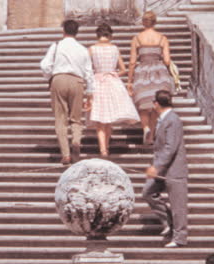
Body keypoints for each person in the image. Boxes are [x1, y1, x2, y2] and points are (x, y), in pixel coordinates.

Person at [40, 20, 95, 165]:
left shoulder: (56, 46)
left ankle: (65, 154)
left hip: (59, 79)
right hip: (77, 81)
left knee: (60, 118)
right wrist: (90, 92)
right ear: (77, 32)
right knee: (76, 118)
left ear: (63, 30)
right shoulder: (82, 49)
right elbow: (89, 72)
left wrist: (51, 76)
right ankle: (76, 141)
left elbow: (45, 65)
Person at [143, 90, 188, 248]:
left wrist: (156, 167)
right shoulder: (163, 119)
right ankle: (169, 222)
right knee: (148, 193)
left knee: (178, 205)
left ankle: (180, 237)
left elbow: (171, 147)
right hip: (162, 170)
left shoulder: (172, 120)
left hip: (174, 170)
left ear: (156, 103)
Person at [88, 23, 140, 157]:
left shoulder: (92, 49)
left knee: (100, 119)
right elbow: (123, 69)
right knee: (109, 118)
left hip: (98, 82)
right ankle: (106, 146)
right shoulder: (114, 48)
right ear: (110, 35)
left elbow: (87, 70)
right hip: (112, 82)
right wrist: (113, 73)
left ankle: (103, 149)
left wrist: (96, 75)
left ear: (97, 35)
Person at [127, 11, 174, 145]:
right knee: (155, 105)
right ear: (155, 22)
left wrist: (129, 81)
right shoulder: (162, 38)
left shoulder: (137, 39)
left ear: (143, 22)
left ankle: (146, 128)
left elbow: (132, 62)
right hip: (159, 73)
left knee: (142, 105)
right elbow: (167, 60)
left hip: (142, 72)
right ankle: (152, 135)